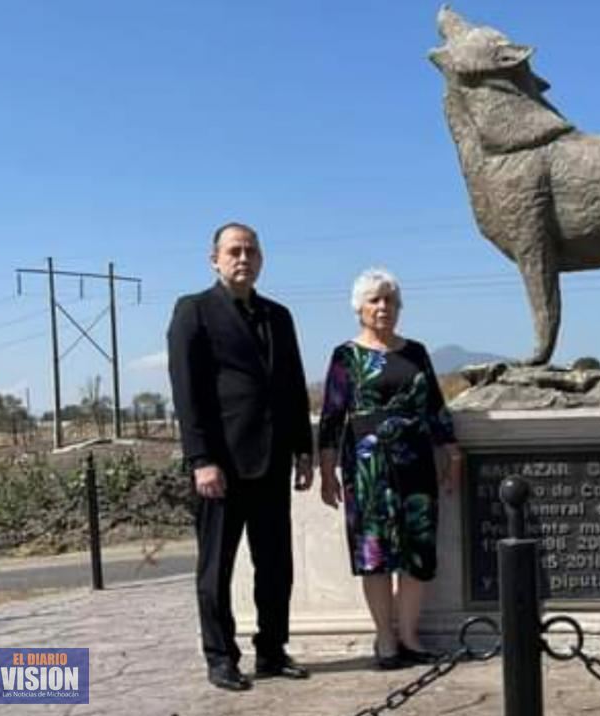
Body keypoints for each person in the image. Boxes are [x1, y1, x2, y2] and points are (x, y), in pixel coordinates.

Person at [167, 222, 315, 691]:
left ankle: (271, 650)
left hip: (272, 462)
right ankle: (220, 656)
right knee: (216, 569)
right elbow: (187, 393)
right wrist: (200, 459)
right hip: (222, 466)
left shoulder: (280, 316)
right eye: (234, 250)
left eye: (251, 250)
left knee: (276, 566)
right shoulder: (194, 311)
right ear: (215, 258)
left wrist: (303, 451)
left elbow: (292, 387)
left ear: (262, 259)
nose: (243, 258)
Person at [317, 268, 463, 670]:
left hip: (416, 464)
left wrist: (452, 454)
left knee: (418, 552)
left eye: (390, 300)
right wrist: (327, 469)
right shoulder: (345, 355)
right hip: (366, 469)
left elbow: (434, 406)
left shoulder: (415, 352)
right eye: (374, 300)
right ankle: (385, 638)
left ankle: (410, 636)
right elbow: (331, 416)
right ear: (359, 308)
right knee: (375, 554)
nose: (383, 307)